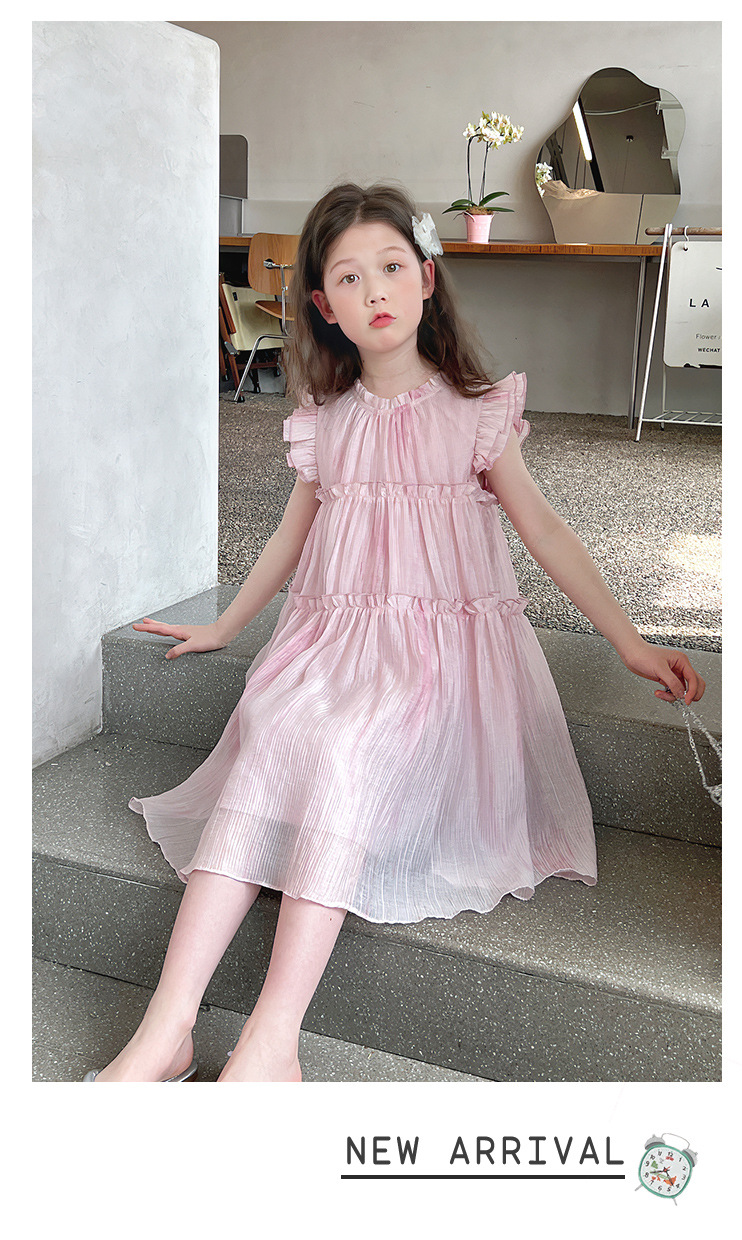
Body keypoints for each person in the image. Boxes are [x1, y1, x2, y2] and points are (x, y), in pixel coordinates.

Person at [84, 182, 705, 1083]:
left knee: (343, 748)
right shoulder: (324, 423)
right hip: (337, 645)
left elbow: (546, 530)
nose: (373, 289)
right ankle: (165, 1031)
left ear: (426, 279)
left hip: (439, 663)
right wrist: (227, 623)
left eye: (390, 267)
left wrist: (630, 643)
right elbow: (288, 540)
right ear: (322, 306)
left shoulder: (475, 411)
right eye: (348, 277)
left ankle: (271, 1042)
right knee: (277, 725)